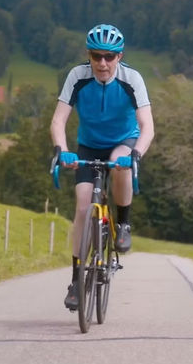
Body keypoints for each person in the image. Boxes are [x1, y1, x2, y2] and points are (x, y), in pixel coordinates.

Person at [50, 23, 155, 310]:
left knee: (121, 165)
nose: (103, 63)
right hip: (89, 145)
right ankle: (76, 281)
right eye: (97, 56)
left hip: (124, 141)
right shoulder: (77, 76)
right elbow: (59, 120)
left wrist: (136, 154)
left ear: (119, 57)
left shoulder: (132, 79)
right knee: (83, 207)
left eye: (109, 57)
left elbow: (147, 126)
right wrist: (63, 151)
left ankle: (123, 223)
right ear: (89, 55)